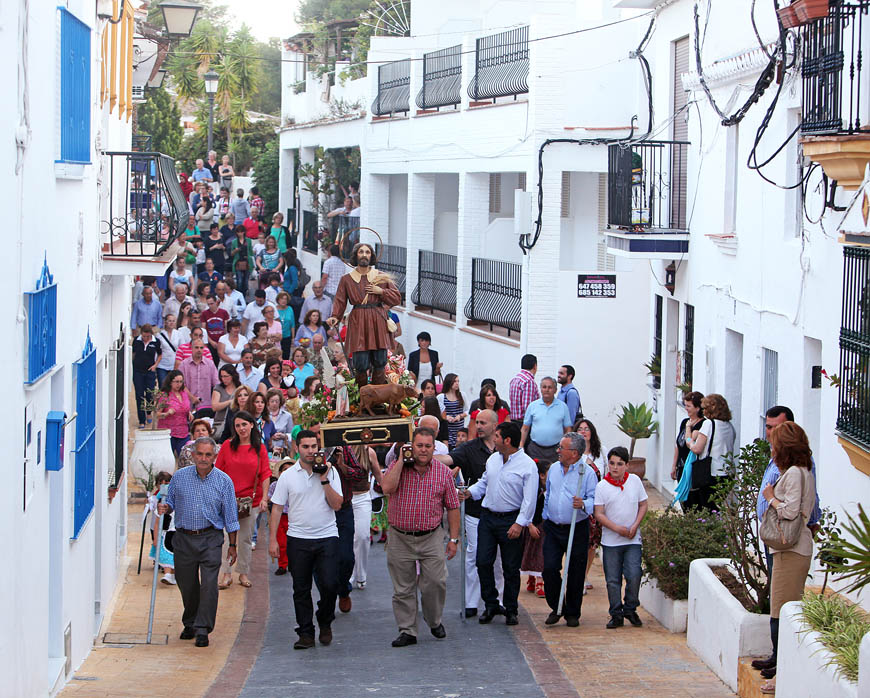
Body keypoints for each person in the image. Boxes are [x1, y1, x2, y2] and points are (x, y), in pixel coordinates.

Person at [380, 427, 460, 647]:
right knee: (402, 588)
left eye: (427, 446)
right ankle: (407, 630)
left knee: (436, 582)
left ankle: (434, 621)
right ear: (411, 446)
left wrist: (453, 540)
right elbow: (386, 487)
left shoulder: (443, 473)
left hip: (431, 536)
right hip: (400, 536)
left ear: (434, 448)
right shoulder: (398, 467)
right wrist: (400, 462)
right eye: (419, 446)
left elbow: (453, 507)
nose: (423, 450)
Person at [157, 436, 239, 647]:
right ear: (192, 455)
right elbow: (171, 502)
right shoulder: (180, 477)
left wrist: (232, 544)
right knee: (187, 584)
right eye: (200, 454)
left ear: (214, 456)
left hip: (210, 537)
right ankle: (190, 621)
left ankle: (203, 628)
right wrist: (165, 508)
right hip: (184, 538)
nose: (203, 458)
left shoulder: (224, 481)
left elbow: (230, 515)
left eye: (208, 455)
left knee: (209, 585)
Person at [755, 421, 817, 693]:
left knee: (782, 612)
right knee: (782, 609)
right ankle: (782, 669)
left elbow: (790, 511)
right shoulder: (804, 471)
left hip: (790, 550)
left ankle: (783, 674)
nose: (771, 446)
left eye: (775, 442)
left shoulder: (794, 473)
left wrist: (770, 497)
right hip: (791, 550)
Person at [268, 429, 344, 649]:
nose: (311, 452)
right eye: (306, 447)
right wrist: (273, 540)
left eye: (314, 447)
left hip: (327, 536)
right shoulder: (288, 476)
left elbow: (337, 504)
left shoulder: (331, 472)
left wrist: (324, 480)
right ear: (297, 448)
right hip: (298, 539)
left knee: (330, 585)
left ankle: (325, 619)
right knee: (301, 589)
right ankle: (305, 632)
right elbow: (277, 508)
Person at [460, 421, 538, 626]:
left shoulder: (527, 465)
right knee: (483, 561)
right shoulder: (493, 459)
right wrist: (470, 492)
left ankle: (511, 609)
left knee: (510, 568)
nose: (493, 440)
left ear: (507, 440)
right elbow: (485, 482)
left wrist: (520, 524)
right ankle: (491, 604)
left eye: (496, 436)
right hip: (488, 517)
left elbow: (530, 499)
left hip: (511, 520)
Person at [435, 409, 502, 618]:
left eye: (483, 423)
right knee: (473, 555)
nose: (479, 426)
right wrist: (427, 455)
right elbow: (448, 459)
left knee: (498, 559)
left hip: (500, 512)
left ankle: (498, 600)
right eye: (477, 422)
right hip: (475, 511)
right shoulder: (468, 449)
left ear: (494, 425)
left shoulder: (504, 450)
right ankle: (471, 602)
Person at [541, 433, 599, 627]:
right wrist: (545, 515)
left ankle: (572, 612)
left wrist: (583, 504)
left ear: (574, 453)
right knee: (549, 568)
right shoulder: (555, 469)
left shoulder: (587, 472)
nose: (558, 451)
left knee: (575, 569)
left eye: (561, 448)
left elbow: (594, 500)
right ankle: (557, 606)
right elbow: (548, 492)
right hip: (553, 526)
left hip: (577, 526)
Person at [326, 243, 400, 386]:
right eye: (361, 252)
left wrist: (381, 292)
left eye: (367, 252)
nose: (364, 255)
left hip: (377, 319)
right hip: (358, 320)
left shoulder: (381, 277)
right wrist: (335, 316)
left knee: (380, 360)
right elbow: (340, 301)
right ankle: (363, 397)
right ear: (356, 255)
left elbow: (396, 298)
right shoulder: (346, 279)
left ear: (371, 256)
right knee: (361, 362)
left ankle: (376, 398)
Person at [594, 446, 649, 630]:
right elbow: (599, 513)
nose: (615, 468)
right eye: (611, 463)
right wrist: (616, 528)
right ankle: (616, 613)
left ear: (627, 465)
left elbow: (643, 504)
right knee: (612, 579)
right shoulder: (602, 486)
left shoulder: (634, 481)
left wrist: (635, 525)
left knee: (634, 574)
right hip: (611, 541)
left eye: (619, 464)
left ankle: (630, 608)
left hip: (632, 539)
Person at [215, 411, 271, 589]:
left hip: (250, 501)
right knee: (226, 538)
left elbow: (265, 473)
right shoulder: (227, 446)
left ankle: (243, 573)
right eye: (238, 425)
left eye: (244, 424)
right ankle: (226, 573)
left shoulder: (259, 448)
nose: (241, 428)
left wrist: (264, 498)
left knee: (246, 538)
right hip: (228, 500)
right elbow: (218, 472)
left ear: (252, 425)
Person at [685, 393, 736, 510]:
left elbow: (697, 448)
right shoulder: (729, 426)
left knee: (706, 507)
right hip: (727, 473)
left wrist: (689, 441)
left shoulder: (709, 424)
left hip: (710, 472)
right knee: (716, 506)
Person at [343, 445, 382, 590]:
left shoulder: (368, 451)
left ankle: (361, 575)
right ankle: (349, 574)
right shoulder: (339, 449)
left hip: (362, 497)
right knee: (346, 538)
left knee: (362, 536)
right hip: (342, 498)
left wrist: (388, 489)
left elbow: (378, 474)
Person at [575, 418, 606, 592]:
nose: (584, 431)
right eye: (580, 429)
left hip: (596, 504)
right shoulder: (573, 454)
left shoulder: (601, 453)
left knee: (592, 542)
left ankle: (584, 574)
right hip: (578, 503)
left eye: (587, 429)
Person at [520, 377, 572, 464]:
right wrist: (521, 446)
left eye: (550, 387)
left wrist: (565, 447)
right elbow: (525, 428)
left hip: (556, 450)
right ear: (541, 389)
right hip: (535, 450)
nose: (547, 390)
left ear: (555, 390)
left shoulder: (563, 407)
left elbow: (568, 429)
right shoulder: (533, 406)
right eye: (544, 387)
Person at [520, 460, 548, 599]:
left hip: (545, 526)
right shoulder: (534, 490)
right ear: (542, 475)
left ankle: (539, 580)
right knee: (531, 552)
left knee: (541, 554)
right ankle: (534, 579)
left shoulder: (551, 489)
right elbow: (527, 506)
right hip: (533, 524)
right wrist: (529, 524)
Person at [155, 370, 194, 456]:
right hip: (169, 433)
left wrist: (189, 413)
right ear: (170, 382)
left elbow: (185, 406)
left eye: (181, 382)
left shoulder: (184, 393)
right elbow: (157, 414)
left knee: (185, 458)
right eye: (176, 382)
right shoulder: (165, 395)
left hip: (183, 432)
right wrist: (166, 413)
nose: (179, 384)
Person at [671, 391, 706, 483]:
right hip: (681, 466)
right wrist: (674, 465)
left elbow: (689, 441)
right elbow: (678, 445)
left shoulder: (702, 424)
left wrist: (688, 427)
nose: (686, 408)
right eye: (685, 405)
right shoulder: (685, 421)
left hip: (691, 467)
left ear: (698, 408)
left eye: (689, 406)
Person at [148, 471, 176, 585]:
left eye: (167, 482)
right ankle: (168, 574)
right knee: (167, 554)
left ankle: (173, 574)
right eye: (162, 483)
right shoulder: (160, 504)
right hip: (166, 533)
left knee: (175, 555)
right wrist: (155, 539)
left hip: (178, 533)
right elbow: (157, 522)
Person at [132, 325, 162, 427]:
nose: (145, 338)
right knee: (139, 395)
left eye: (147, 336)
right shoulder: (136, 340)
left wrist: (155, 365)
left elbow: (160, 354)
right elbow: (133, 353)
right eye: (144, 336)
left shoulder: (155, 342)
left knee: (149, 394)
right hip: (138, 371)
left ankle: (149, 412)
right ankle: (141, 419)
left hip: (150, 371)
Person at [179, 339, 219, 414]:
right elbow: (180, 385)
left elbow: (217, 384)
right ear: (191, 348)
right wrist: (192, 398)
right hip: (188, 405)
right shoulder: (184, 364)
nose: (199, 350)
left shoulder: (210, 364)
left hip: (206, 405)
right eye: (196, 347)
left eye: (201, 348)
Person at [437, 373, 468, 449]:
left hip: (459, 429)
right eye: (454, 381)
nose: (457, 384)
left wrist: (460, 416)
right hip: (447, 430)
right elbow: (438, 412)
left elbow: (467, 410)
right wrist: (446, 417)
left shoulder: (462, 395)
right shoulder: (441, 397)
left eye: (458, 381)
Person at [509, 354, 540, 423]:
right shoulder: (529, 381)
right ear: (535, 366)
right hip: (523, 423)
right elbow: (527, 407)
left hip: (513, 421)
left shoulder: (515, 379)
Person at [211, 365, 240, 436]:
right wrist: (230, 402)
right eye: (222, 376)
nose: (224, 379)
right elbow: (214, 407)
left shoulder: (240, 388)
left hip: (236, 422)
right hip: (220, 422)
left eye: (226, 376)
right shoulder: (218, 388)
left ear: (233, 376)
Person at [201, 294, 229, 362]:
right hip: (211, 341)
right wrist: (211, 342)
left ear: (216, 302)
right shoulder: (204, 313)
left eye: (212, 303)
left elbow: (226, 328)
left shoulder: (224, 312)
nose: (210, 306)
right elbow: (204, 330)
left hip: (222, 341)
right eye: (208, 304)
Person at [265, 389, 294, 455]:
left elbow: (291, 435)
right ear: (268, 402)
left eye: (277, 401)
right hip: (268, 449)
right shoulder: (264, 416)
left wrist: (283, 436)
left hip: (282, 450)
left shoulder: (287, 415)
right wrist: (271, 436)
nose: (274, 403)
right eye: (272, 401)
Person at [155, 314, 181, 385]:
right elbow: (156, 351)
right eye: (169, 321)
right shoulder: (159, 335)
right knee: (162, 386)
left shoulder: (178, 334)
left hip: (174, 364)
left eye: (173, 321)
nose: (171, 323)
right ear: (165, 322)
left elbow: (181, 349)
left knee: (173, 386)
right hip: (162, 364)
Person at [228, 226, 253, 298]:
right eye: (238, 232)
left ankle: (244, 296)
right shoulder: (234, 241)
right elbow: (231, 254)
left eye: (241, 231)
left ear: (244, 232)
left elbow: (250, 252)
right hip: (238, 262)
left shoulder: (248, 241)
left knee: (245, 282)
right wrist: (235, 250)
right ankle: (239, 296)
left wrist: (252, 263)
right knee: (239, 281)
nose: (240, 233)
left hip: (247, 262)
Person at [275, 291, 296, 359]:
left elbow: (292, 324)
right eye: (282, 299)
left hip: (287, 336)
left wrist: (293, 337)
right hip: (277, 337)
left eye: (285, 299)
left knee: (286, 355)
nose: (284, 301)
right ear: (278, 300)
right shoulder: (274, 309)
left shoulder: (290, 309)